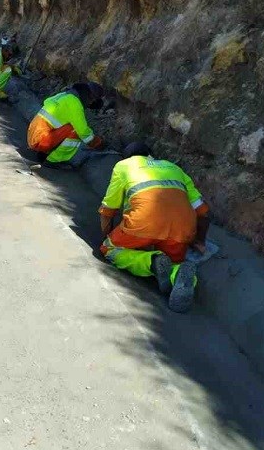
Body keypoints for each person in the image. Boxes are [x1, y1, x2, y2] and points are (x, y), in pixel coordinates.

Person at [98, 142, 210, 312]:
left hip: (143, 223)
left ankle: (152, 262)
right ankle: (178, 272)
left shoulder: (123, 166)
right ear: (150, 155)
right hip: (182, 227)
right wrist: (199, 241)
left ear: (127, 157)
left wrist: (107, 236)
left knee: (109, 249)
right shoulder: (174, 168)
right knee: (175, 262)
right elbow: (203, 212)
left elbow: (108, 210)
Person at [27, 82, 108, 167]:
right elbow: (83, 132)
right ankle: (53, 160)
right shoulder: (75, 104)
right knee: (75, 130)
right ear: (89, 96)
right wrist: (98, 143)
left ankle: (44, 152)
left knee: (70, 126)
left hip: (33, 136)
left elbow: (47, 102)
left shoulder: (65, 95)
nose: (91, 104)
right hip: (40, 141)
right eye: (92, 101)